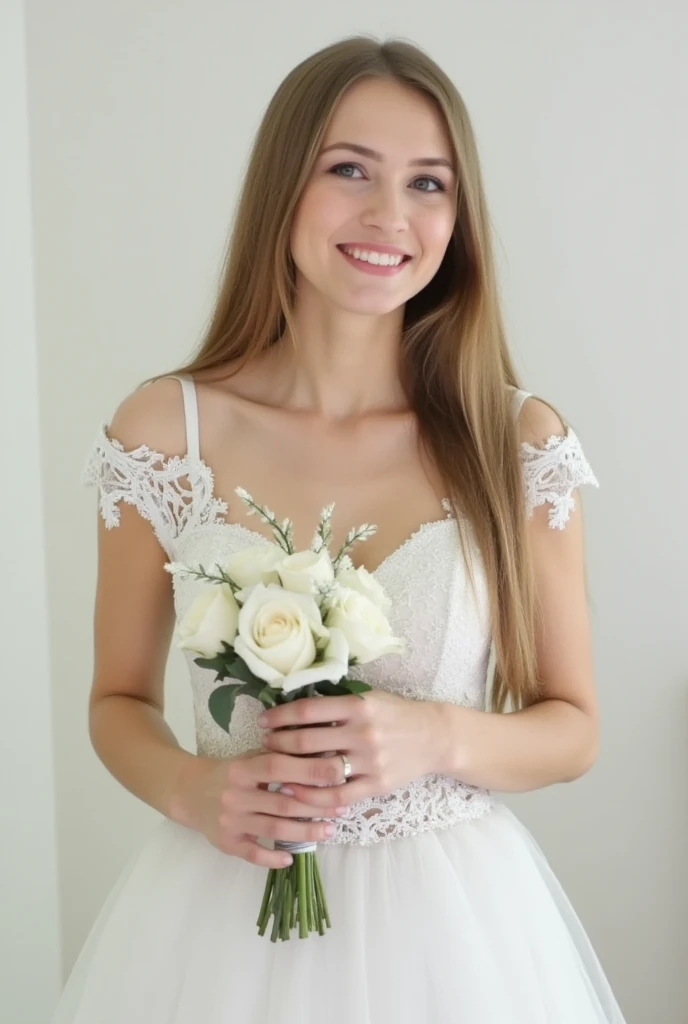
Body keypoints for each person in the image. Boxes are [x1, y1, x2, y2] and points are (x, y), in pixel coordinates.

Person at [51, 35, 626, 1024]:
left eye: (428, 184)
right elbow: (115, 699)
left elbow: (570, 728)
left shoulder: (514, 437)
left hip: (458, 934)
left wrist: (434, 735)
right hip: (220, 915)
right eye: (349, 169)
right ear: (284, 186)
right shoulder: (164, 431)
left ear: (460, 215)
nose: (387, 217)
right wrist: (195, 788)